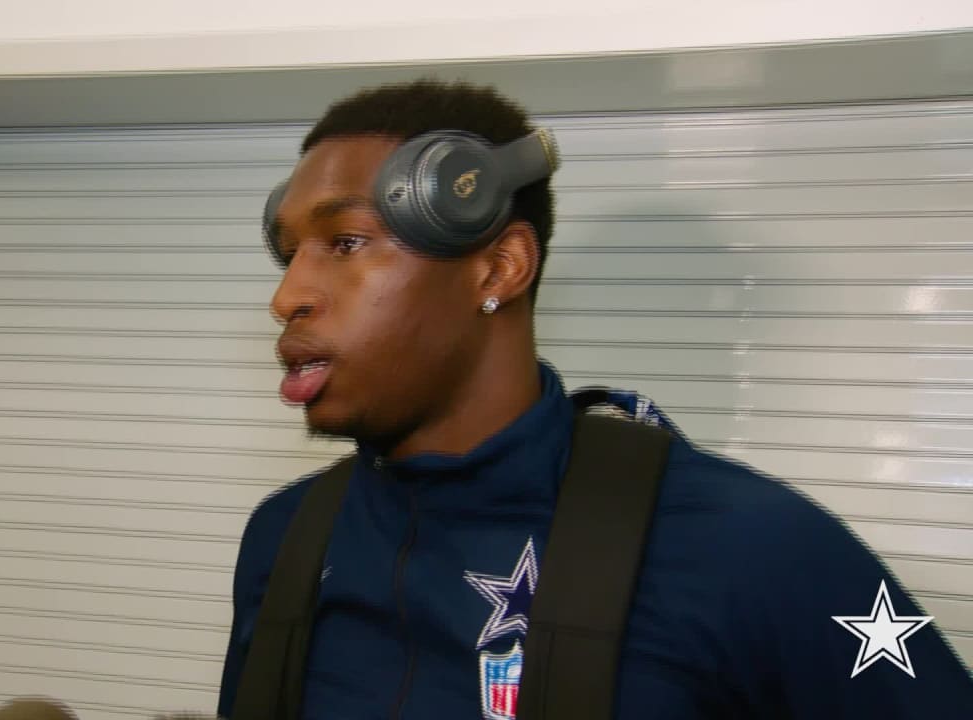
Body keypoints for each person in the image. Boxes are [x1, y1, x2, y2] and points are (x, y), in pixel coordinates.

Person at [215, 79, 972, 719]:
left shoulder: (747, 548)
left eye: (345, 243)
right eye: (289, 257)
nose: (287, 296)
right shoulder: (285, 540)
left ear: (499, 269)